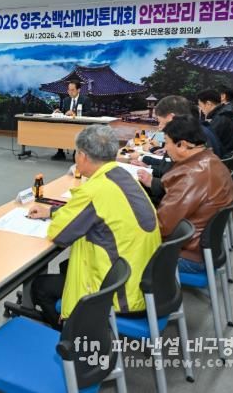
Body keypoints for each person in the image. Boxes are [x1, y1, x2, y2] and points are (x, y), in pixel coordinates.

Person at [27, 125, 160, 329]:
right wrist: (52, 211)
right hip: (143, 280)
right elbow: (90, 214)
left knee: (41, 287)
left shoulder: (95, 190)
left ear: (82, 155)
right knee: (66, 266)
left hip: (120, 295)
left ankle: (73, 337)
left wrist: (55, 216)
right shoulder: (122, 176)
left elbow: (59, 234)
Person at [156, 115, 233, 273]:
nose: (165, 148)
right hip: (205, 249)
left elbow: (162, 226)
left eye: (166, 142)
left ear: (182, 145)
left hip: (187, 254)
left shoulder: (192, 175)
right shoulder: (211, 159)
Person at [127, 96, 222, 205]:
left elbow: (181, 188)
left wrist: (152, 181)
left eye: (160, 121)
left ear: (171, 118)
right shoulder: (200, 133)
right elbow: (173, 172)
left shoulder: (191, 140)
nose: (165, 148)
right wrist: (148, 167)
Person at [51, 81, 91, 160]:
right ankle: (60, 152)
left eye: (72, 90)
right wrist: (59, 112)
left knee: (78, 133)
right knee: (59, 129)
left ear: (78, 90)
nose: (70, 92)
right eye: (69, 90)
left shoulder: (85, 99)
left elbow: (89, 113)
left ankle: (76, 153)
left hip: (80, 125)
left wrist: (75, 114)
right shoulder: (66, 100)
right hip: (67, 124)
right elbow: (64, 112)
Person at [197, 89, 233, 153]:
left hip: (224, 155)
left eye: (200, 105)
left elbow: (207, 141)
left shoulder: (221, 118)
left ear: (208, 103)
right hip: (231, 152)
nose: (200, 109)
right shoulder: (228, 111)